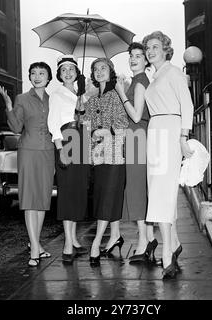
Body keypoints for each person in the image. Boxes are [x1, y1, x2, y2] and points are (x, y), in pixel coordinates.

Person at [142, 31, 194, 278]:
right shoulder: (155, 76)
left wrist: (183, 137)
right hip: (155, 132)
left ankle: (166, 253)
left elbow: (188, 105)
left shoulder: (173, 73)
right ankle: (174, 244)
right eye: (148, 48)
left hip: (170, 131)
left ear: (166, 50)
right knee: (158, 190)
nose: (150, 51)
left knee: (163, 192)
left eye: (155, 46)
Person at [0, 62, 55, 267]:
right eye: (33, 73)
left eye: (42, 73)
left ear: (49, 78)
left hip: (48, 152)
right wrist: (9, 107)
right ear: (29, 76)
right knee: (30, 199)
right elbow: (15, 127)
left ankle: (36, 245)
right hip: (28, 152)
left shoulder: (53, 100)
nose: (37, 76)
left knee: (42, 200)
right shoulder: (22, 98)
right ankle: (34, 249)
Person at [81, 57, 129, 266]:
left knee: (106, 198)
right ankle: (115, 236)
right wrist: (90, 130)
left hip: (114, 153)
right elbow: (84, 123)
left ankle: (96, 244)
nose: (99, 71)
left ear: (110, 72)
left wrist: (104, 131)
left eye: (103, 68)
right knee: (104, 195)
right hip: (98, 155)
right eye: (96, 69)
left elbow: (123, 123)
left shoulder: (115, 95)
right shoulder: (92, 99)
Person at [115, 42, 157, 263]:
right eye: (131, 56)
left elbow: (137, 116)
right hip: (135, 139)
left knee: (136, 190)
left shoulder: (140, 82)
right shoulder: (137, 81)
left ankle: (143, 242)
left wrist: (122, 92)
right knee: (138, 188)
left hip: (138, 138)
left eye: (139, 56)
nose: (133, 59)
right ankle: (148, 237)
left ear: (146, 60)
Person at [47, 55, 90, 264]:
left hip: (82, 141)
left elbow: (87, 120)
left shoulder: (81, 94)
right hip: (66, 141)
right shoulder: (56, 95)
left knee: (78, 190)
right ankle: (66, 243)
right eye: (63, 70)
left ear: (76, 72)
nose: (67, 73)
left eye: (71, 69)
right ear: (59, 74)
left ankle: (73, 239)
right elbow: (53, 123)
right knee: (67, 191)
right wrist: (60, 148)